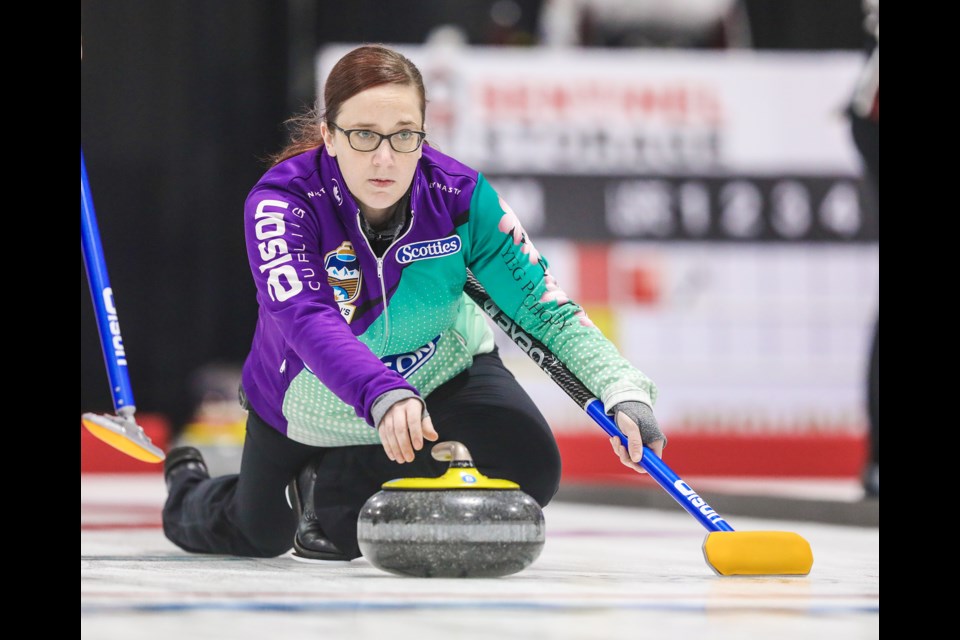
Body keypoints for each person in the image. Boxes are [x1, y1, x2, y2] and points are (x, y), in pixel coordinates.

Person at [161, 44, 665, 560]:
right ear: (330, 137)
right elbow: (308, 319)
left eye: (404, 135)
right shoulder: (281, 202)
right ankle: (188, 486)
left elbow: (544, 308)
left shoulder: (460, 196)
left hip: (437, 377)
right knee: (260, 533)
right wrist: (382, 392)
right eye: (363, 135)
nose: (385, 159)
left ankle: (336, 489)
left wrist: (622, 389)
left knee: (530, 465)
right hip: (309, 400)